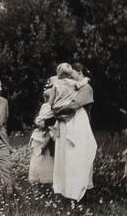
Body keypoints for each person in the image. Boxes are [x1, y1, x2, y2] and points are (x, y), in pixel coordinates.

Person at [50, 63, 97, 202]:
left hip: (78, 124)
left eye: (72, 74)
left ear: (79, 72)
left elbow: (73, 104)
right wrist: (57, 112)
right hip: (70, 123)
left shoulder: (86, 88)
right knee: (69, 156)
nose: (70, 77)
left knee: (78, 155)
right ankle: (69, 189)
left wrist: (57, 110)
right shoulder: (74, 85)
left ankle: (79, 189)